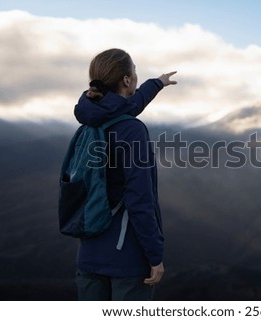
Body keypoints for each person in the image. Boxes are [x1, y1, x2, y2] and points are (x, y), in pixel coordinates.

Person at [73, 48, 177, 300]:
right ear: (127, 80)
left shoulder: (91, 122)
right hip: (127, 259)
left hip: (88, 254)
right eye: (135, 72)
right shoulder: (132, 131)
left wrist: (157, 83)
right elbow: (139, 198)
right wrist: (155, 254)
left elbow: (127, 106)